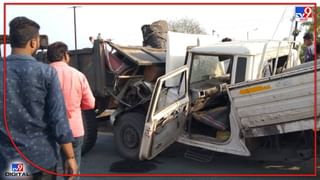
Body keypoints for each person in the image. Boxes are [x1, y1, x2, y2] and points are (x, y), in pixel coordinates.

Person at [0, 17, 78, 179]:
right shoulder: (46, 73)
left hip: (7, 160)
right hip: (41, 160)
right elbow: (58, 119)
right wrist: (70, 157)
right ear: (34, 43)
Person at [47, 42, 95, 179]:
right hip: (73, 129)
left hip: (48, 131)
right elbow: (90, 104)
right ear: (65, 56)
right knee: (72, 169)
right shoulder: (78, 75)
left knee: (48, 171)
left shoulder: (42, 74)